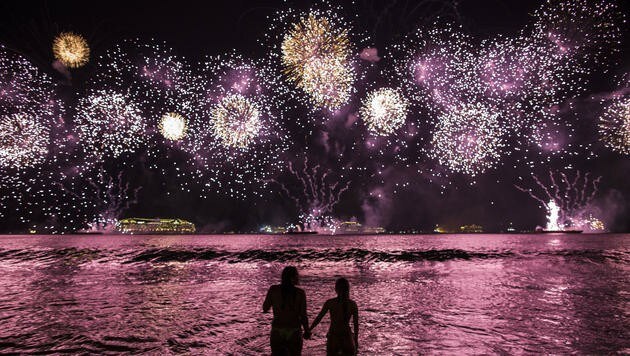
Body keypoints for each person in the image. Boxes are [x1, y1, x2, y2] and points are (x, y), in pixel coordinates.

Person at [263, 266, 311, 355]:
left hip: (277, 329)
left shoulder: (273, 289)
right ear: (294, 277)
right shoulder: (300, 293)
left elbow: (265, 308)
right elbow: (303, 315)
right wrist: (307, 331)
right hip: (294, 330)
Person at [309, 278, 359, 355]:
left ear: (336, 289)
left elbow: (319, 318)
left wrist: (309, 329)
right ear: (348, 289)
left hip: (333, 336)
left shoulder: (330, 303)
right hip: (347, 336)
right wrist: (355, 340)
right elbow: (356, 325)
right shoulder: (352, 304)